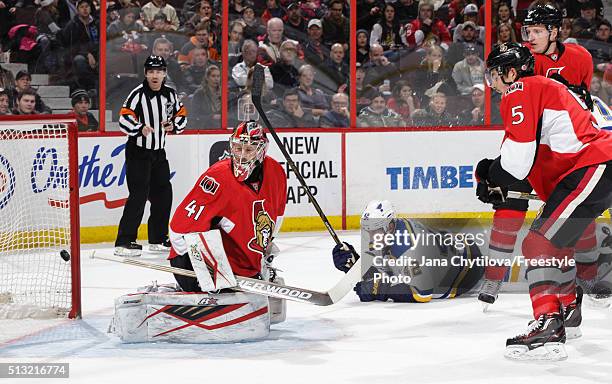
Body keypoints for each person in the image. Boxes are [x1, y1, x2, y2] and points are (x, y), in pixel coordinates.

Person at [478, 43, 612, 361]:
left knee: (536, 243)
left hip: (595, 165)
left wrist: (488, 172)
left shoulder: (521, 89)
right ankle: (565, 314)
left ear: (512, 73)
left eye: (495, 75)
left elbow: (516, 165)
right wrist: (496, 176)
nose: (493, 84)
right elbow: (525, 165)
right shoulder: (543, 91)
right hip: (594, 168)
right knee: (554, 245)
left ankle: (549, 323)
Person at [478, 4, 596, 308]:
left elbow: (581, 101)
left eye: (536, 31)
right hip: (530, 143)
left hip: (561, 145)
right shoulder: (524, 61)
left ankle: (588, 277)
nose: (529, 37)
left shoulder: (581, 57)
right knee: (510, 200)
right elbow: (522, 117)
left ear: (555, 31)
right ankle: (494, 276)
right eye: (526, 31)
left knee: (576, 210)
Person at [168, 120, 287, 285]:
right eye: (238, 148)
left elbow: (277, 214)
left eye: (249, 149)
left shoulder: (276, 172)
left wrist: (266, 245)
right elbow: (178, 229)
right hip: (196, 266)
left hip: (243, 264)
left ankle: (250, 270)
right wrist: (200, 272)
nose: (242, 155)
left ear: (261, 151)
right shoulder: (217, 178)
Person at [332, 200, 484, 303]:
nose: (371, 236)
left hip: (468, 269)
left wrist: (379, 289)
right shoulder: (392, 232)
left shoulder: (408, 247)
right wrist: (355, 264)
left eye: (375, 230)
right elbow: (391, 271)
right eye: (368, 230)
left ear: (390, 226)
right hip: (454, 246)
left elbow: (422, 293)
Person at [114, 55, 187, 257]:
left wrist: (174, 126)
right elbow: (124, 117)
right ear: (146, 74)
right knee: (138, 195)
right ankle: (124, 241)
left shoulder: (170, 94)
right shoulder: (137, 94)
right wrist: (139, 128)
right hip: (138, 152)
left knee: (164, 194)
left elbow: (181, 115)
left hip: (158, 152)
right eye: (151, 71)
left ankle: (158, 237)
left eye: (159, 71)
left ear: (164, 73)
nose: (155, 75)